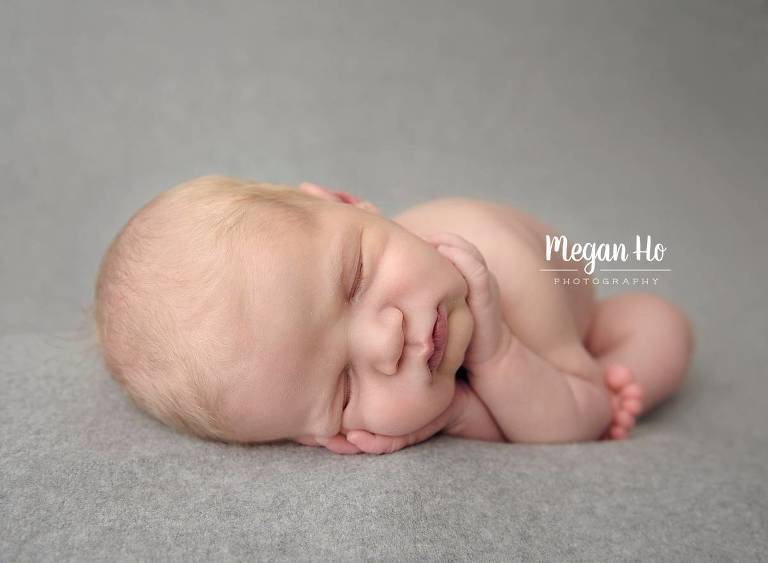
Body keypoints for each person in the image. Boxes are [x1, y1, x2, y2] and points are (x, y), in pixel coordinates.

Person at [93, 175, 693, 454]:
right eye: (344, 390)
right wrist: (456, 408)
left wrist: (497, 357)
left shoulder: (500, 264)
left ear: (351, 204)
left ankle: (618, 367)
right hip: (539, 371)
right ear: (319, 438)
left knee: (660, 328)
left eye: (354, 281)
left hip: (570, 310)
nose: (386, 345)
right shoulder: (412, 338)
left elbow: (576, 417)